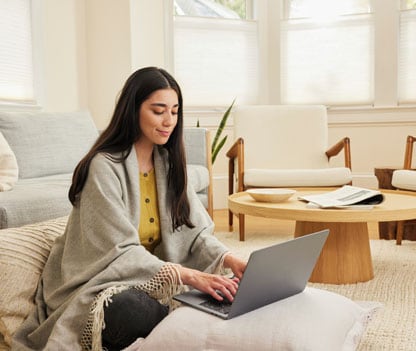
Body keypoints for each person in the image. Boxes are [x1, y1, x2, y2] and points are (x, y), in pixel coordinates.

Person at [12, 67, 247, 351]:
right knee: (130, 310)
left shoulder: (170, 164)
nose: (168, 121)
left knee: (232, 288)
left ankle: (186, 322)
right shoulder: (104, 167)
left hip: (155, 279)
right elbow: (118, 251)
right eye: (158, 110)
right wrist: (187, 276)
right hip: (102, 283)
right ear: (133, 110)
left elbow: (195, 234)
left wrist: (228, 258)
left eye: (174, 111)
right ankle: (186, 323)